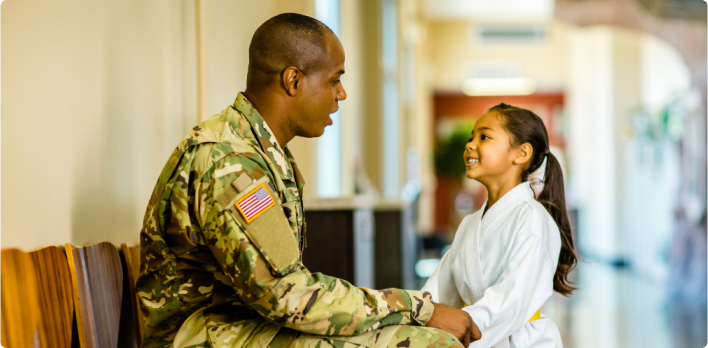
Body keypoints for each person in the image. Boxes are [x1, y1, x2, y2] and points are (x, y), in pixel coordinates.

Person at [136, 13, 481, 348]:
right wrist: (416, 308)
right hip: (203, 336)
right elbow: (287, 294)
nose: (341, 93)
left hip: (241, 325)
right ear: (293, 80)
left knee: (419, 337)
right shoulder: (231, 162)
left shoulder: (264, 153)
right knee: (426, 343)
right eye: (334, 79)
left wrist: (409, 312)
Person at [422, 104, 578, 348]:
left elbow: (510, 303)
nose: (470, 145)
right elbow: (437, 292)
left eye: (484, 137)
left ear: (521, 153)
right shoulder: (469, 224)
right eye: (470, 137)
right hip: (472, 334)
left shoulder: (533, 219)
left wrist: (457, 329)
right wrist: (414, 316)